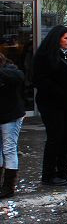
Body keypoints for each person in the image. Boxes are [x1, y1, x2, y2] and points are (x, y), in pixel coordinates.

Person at [33, 25, 67, 186]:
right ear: (57, 39)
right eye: (66, 38)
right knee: (55, 137)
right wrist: (61, 94)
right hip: (52, 104)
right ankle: (49, 174)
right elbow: (41, 81)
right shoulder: (44, 57)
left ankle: (63, 172)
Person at [0, 53, 26, 198]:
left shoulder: (9, 70)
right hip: (7, 113)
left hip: (10, 115)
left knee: (9, 148)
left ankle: (8, 187)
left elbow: (19, 76)